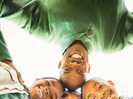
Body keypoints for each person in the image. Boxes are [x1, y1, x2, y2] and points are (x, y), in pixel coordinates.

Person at [0, 1, 133, 87]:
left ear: (60, 64)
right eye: (80, 71)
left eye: (67, 69)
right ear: (88, 68)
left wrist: (5, 60)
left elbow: (4, 7)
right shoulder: (112, 43)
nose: (75, 65)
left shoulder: (45, 30)